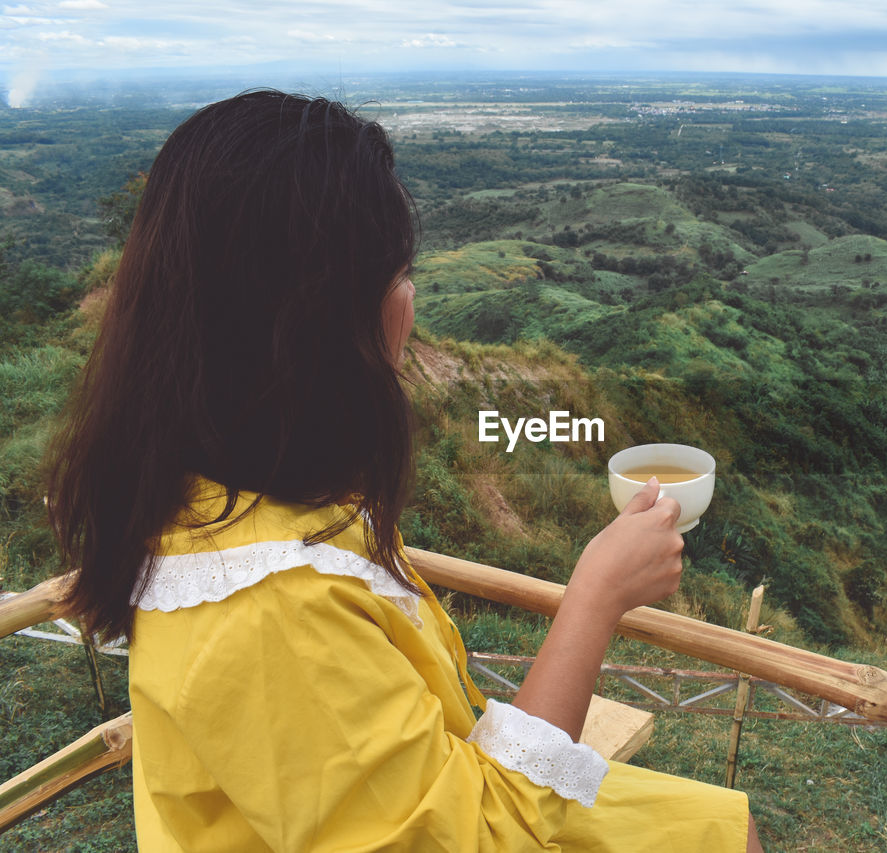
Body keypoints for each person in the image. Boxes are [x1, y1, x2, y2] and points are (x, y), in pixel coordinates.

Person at [45, 90, 762, 851]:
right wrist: (596, 596)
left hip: (447, 783)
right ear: (315, 324)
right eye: (398, 273)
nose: (411, 298)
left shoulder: (218, 496)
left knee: (722, 825)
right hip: (484, 819)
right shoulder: (267, 611)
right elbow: (481, 837)